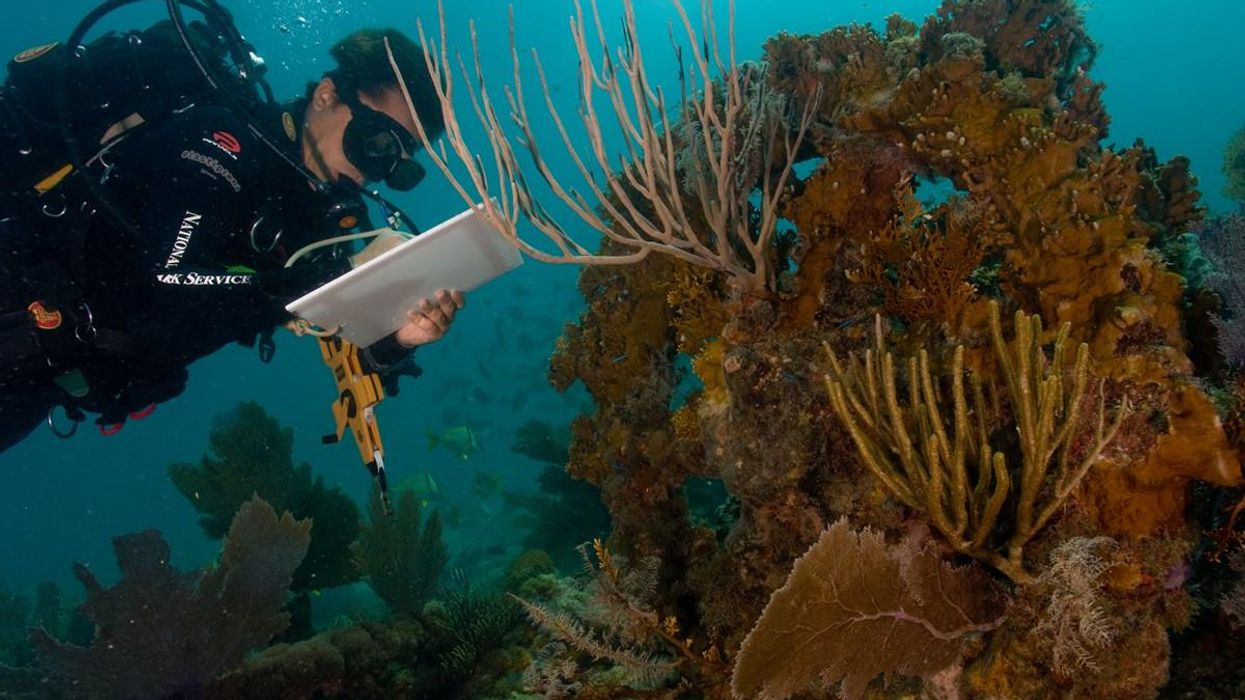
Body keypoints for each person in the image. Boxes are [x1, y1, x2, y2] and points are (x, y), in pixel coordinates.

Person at [0, 24, 463, 451]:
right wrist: (341, 273)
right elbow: (165, 282)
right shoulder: (222, 143)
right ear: (326, 95)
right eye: (377, 142)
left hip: (42, 378)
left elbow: (341, 348)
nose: (376, 167)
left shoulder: (321, 227)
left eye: (397, 165)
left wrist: (400, 339)